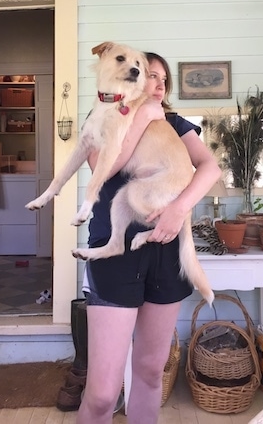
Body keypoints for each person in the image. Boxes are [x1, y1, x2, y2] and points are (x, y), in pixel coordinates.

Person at [77, 52, 221, 424]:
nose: (157, 84)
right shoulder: (103, 116)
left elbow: (208, 167)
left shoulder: (176, 124)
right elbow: (101, 169)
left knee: (149, 372)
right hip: (114, 251)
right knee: (102, 394)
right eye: (149, 76)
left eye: (163, 80)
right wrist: (141, 117)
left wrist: (178, 209)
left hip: (165, 248)